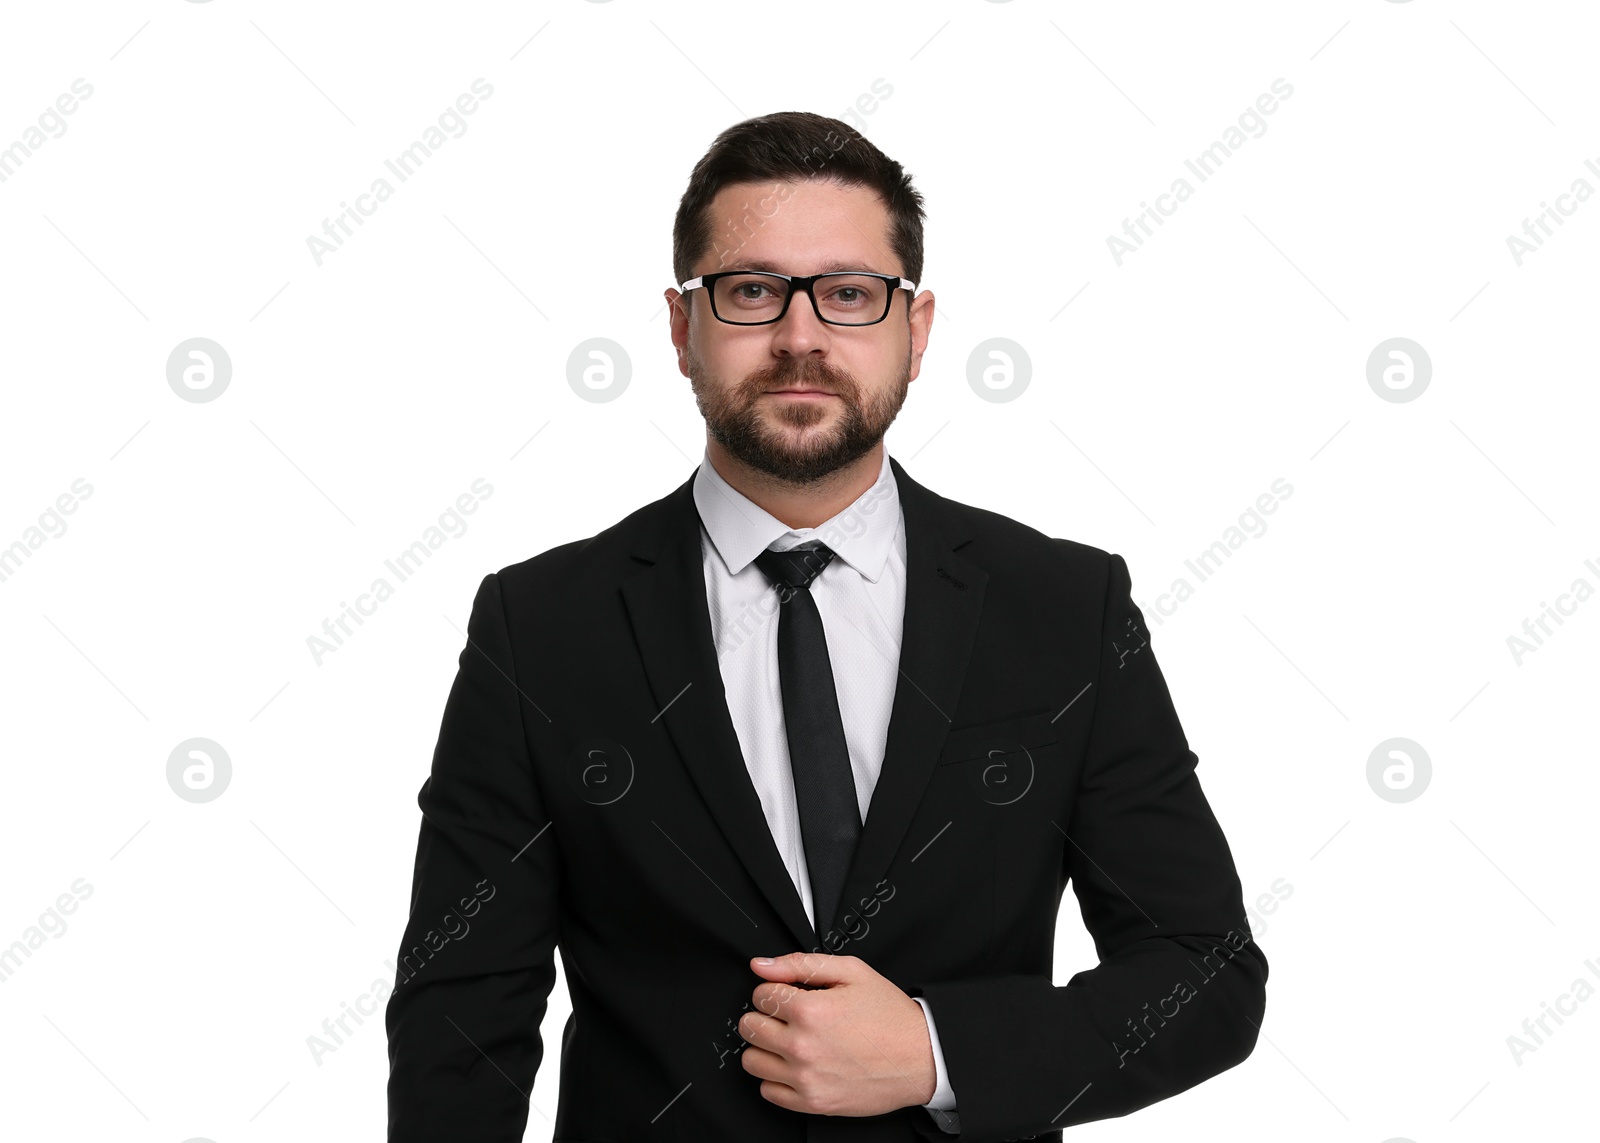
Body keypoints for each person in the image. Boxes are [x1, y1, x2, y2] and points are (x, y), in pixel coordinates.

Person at [385, 110, 1267, 1143]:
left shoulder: (1065, 610)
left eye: (848, 295)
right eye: (752, 291)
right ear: (681, 328)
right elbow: (460, 1027)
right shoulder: (538, 627)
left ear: (916, 328)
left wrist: (938, 1053)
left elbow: (1203, 972)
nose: (800, 337)